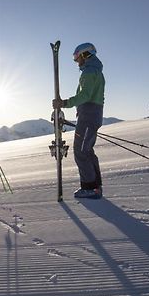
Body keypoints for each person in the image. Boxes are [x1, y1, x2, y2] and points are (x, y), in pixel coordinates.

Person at [53, 42, 105, 199]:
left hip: (88, 117)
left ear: (85, 54)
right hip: (91, 115)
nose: (76, 61)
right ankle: (95, 186)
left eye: (77, 57)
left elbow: (86, 95)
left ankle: (90, 188)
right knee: (87, 151)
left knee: (81, 152)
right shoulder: (95, 71)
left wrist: (64, 103)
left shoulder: (89, 72)